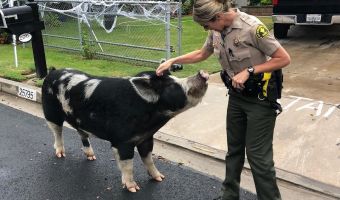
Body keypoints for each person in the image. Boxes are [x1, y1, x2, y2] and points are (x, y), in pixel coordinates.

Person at [156, 0, 291, 199]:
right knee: (234, 150)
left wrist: (250, 71)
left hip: (260, 100)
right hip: (236, 97)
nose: (206, 29)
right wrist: (173, 60)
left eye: (206, 25)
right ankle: (229, 195)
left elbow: (283, 58)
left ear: (217, 17)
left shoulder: (252, 27)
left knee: (258, 157)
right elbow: (203, 53)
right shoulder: (217, 30)